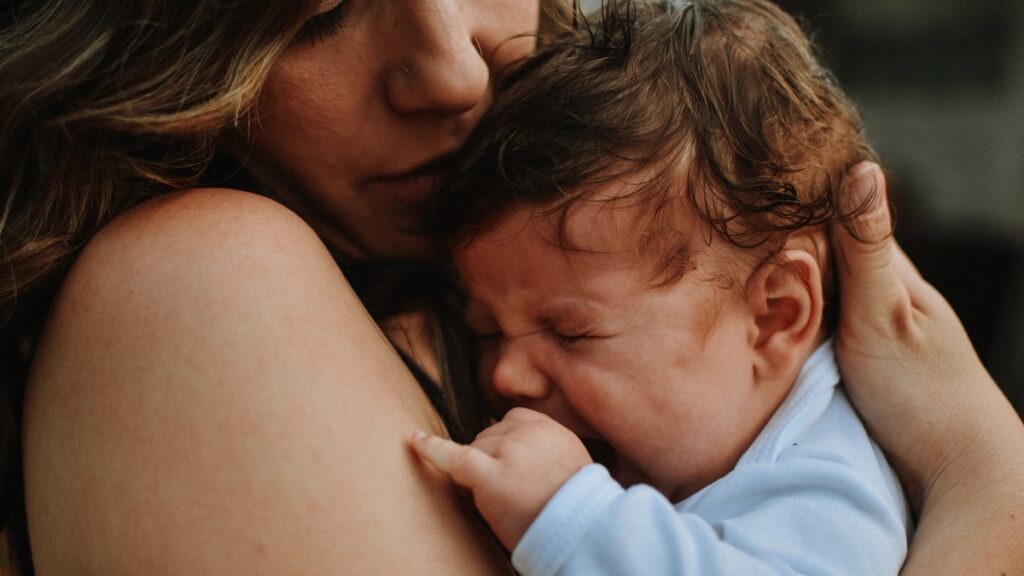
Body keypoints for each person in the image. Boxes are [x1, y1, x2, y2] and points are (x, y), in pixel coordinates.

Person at [0, 0, 1020, 574]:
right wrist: (988, 479)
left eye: (572, 334)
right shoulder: (199, 289)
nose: (449, 73)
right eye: (321, 16)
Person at [411, 2, 909, 573]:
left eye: (572, 332)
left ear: (774, 317)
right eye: (487, 330)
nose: (505, 374)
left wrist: (573, 519)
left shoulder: (826, 487)